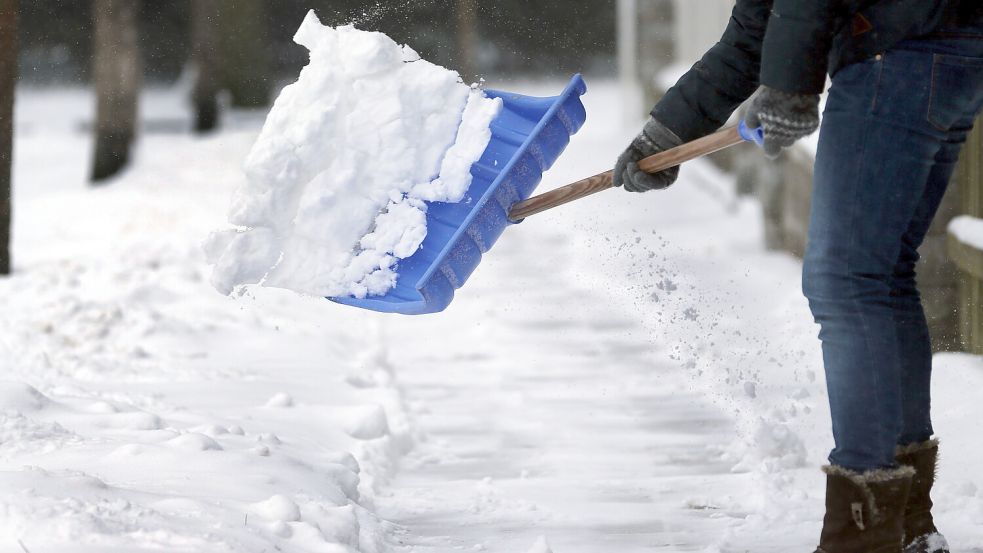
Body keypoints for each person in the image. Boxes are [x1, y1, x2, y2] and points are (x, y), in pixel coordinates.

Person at [613, 1, 983, 552]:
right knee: (880, 275)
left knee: (847, 282)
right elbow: (758, 25)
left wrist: (790, 87)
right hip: (943, 43)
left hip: (897, 49)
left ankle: (862, 539)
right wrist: (666, 133)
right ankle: (904, 526)